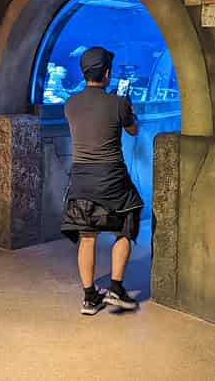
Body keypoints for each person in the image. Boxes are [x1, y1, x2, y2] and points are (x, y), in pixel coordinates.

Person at [61, 46, 143, 316]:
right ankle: (116, 288)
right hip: (112, 179)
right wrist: (128, 108)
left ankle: (89, 298)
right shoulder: (117, 103)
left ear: (83, 72)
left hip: (81, 180)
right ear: (107, 73)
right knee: (126, 224)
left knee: (87, 237)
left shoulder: (70, 104)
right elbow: (133, 130)